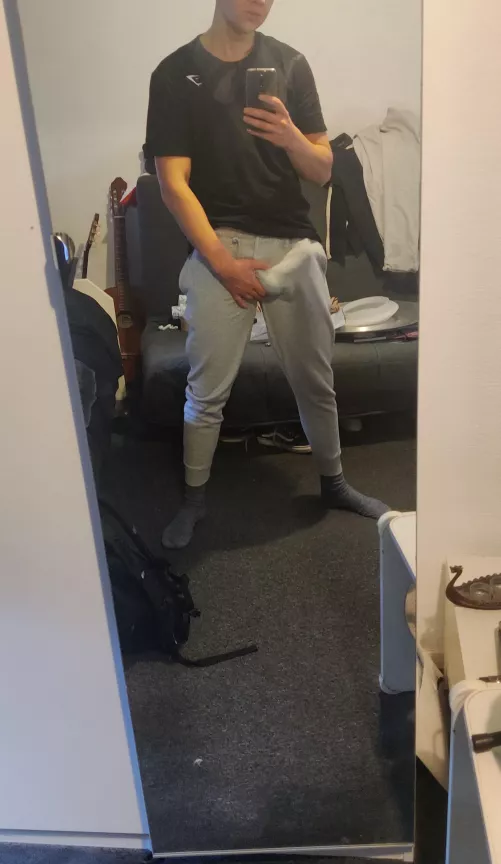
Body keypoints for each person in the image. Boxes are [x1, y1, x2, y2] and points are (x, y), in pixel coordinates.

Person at [145, 0, 389, 549]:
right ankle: (194, 499)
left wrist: (290, 137)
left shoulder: (292, 64)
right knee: (205, 391)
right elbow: (172, 183)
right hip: (219, 246)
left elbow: (323, 169)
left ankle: (334, 484)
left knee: (316, 382)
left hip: (291, 242)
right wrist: (222, 264)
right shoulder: (174, 74)